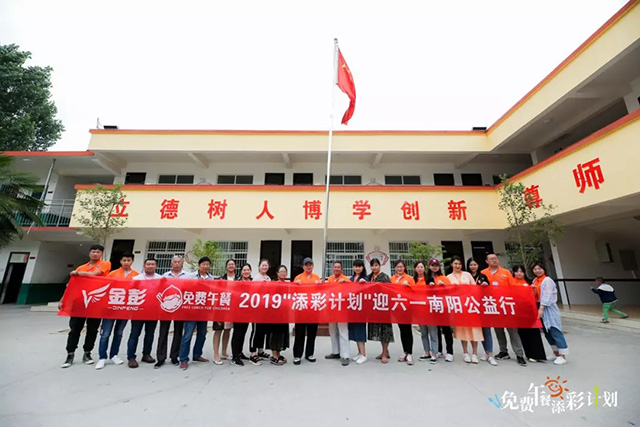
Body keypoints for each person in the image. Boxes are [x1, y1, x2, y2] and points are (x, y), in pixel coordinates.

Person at [60, 244, 111, 368]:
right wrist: (62, 300)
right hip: (79, 302)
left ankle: (87, 353)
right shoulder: (82, 267)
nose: (95, 254)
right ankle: (70, 354)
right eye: (93, 251)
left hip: (95, 303)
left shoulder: (105, 264)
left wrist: (77, 273)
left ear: (101, 254)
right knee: (75, 329)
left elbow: (94, 274)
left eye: (98, 252)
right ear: (89, 253)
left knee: (92, 329)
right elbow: (71, 286)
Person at [482, 253, 527, 366]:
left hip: (506, 305)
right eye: (491, 259)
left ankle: (519, 354)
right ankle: (503, 351)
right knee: (498, 330)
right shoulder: (483, 273)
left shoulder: (506, 272)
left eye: (495, 258)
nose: (494, 260)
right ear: (487, 261)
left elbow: (513, 288)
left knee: (513, 331)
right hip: (493, 306)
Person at [96, 252, 138, 370]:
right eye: (124, 260)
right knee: (105, 334)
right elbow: (105, 288)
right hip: (111, 308)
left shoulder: (136, 275)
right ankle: (102, 357)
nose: (126, 263)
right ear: (120, 261)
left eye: (128, 260)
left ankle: (114, 355)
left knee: (119, 333)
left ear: (132, 261)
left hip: (125, 309)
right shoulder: (112, 274)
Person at [447, 255, 483, 364]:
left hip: (471, 306)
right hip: (459, 308)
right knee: (463, 330)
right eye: (455, 263)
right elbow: (446, 292)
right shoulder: (448, 277)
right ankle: (465, 352)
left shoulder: (467, 275)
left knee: (474, 330)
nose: (457, 266)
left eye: (459, 264)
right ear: (451, 264)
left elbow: (475, 288)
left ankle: (475, 353)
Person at [178, 257, 212, 370]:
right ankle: (183, 359)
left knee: (202, 334)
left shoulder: (211, 279)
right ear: (199, 265)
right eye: (203, 264)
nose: (205, 266)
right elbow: (184, 290)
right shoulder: (190, 277)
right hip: (191, 311)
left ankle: (197, 355)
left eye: (207, 264)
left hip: (204, 311)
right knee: (187, 335)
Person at [532, 262, 569, 365]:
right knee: (546, 332)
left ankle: (562, 355)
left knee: (554, 330)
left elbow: (547, 295)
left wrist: (542, 307)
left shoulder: (547, 280)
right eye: (535, 269)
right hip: (539, 306)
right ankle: (555, 352)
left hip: (548, 307)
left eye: (539, 268)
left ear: (543, 269)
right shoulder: (535, 281)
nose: (537, 271)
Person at [127, 258, 161, 368]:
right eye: (148, 264)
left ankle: (146, 354)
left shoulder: (160, 279)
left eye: (153, 264)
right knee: (134, 334)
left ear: (156, 266)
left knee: (150, 334)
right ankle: (131, 357)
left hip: (153, 311)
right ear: (144, 266)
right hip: (138, 311)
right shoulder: (136, 278)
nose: (150, 266)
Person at [156, 256, 189, 368]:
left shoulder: (187, 276)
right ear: (171, 264)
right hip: (166, 308)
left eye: (179, 262)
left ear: (182, 264)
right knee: (163, 332)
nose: (177, 264)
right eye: (175, 262)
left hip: (180, 307)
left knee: (178, 333)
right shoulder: (165, 276)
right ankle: (161, 358)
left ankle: (174, 356)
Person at [512, 265, 547, 363]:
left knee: (534, 332)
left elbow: (535, 296)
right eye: (517, 271)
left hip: (530, 310)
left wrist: (534, 291)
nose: (519, 273)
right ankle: (528, 354)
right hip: (518, 311)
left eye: (521, 271)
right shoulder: (511, 282)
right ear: (514, 273)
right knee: (523, 333)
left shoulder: (530, 282)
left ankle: (537, 354)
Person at [467, 257, 497, 366]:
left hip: (483, 307)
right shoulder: (466, 276)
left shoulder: (483, 276)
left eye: (475, 265)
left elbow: (489, 291)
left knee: (486, 330)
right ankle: (477, 353)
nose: (473, 267)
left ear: (478, 266)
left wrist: (485, 286)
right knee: (475, 331)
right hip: (471, 307)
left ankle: (490, 354)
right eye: (471, 265)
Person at [292, 257, 321, 365]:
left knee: (312, 333)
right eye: (306, 265)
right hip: (301, 309)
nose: (309, 267)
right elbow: (293, 292)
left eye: (310, 265)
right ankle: (297, 355)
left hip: (313, 309)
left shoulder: (316, 277)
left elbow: (321, 292)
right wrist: (296, 285)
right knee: (299, 333)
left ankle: (309, 354)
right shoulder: (298, 278)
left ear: (312, 266)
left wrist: (320, 285)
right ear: (303, 267)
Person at [365, 258, 394, 364]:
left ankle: (385, 353)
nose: (374, 267)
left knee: (385, 330)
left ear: (380, 266)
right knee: (379, 330)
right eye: (372, 265)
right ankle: (384, 351)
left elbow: (389, 290)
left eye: (376, 265)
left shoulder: (385, 277)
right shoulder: (369, 277)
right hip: (374, 307)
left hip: (383, 306)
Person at [426, 259, 453, 362]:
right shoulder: (427, 278)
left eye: (436, 265)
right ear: (429, 266)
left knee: (446, 329)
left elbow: (450, 291)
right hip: (432, 306)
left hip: (443, 306)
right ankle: (438, 350)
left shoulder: (444, 278)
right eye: (432, 265)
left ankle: (449, 352)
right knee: (435, 330)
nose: (434, 267)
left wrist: (444, 286)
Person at [325, 261, 351, 366]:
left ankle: (345, 355)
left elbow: (351, 291)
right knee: (332, 331)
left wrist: (345, 284)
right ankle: (335, 352)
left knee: (343, 332)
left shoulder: (346, 279)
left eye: (338, 267)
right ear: (332, 268)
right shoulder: (330, 279)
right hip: (332, 308)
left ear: (341, 269)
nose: (336, 269)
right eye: (335, 267)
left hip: (342, 309)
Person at [212, 259, 237, 364]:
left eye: (232, 264)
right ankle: (216, 354)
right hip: (221, 307)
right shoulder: (221, 279)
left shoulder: (238, 279)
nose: (231, 266)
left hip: (233, 308)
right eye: (229, 264)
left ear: (235, 266)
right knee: (218, 330)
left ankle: (224, 352)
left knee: (228, 330)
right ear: (226, 266)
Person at [390, 259, 416, 366]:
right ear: (395, 268)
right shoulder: (392, 279)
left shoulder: (409, 278)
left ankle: (409, 353)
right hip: (397, 308)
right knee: (402, 330)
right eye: (397, 267)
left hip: (407, 308)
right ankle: (405, 351)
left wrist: (409, 287)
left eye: (401, 267)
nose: (399, 269)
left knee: (408, 330)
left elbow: (415, 292)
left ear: (404, 268)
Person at [248, 259, 272, 366]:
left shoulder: (268, 278)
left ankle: (260, 351)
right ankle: (253, 353)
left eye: (266, 265)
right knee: (256, 331)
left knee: (263, 330)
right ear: (259, 267)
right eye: (263, 265)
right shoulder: (256, 278)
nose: (264, 267)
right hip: (256, 308)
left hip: (265, 309)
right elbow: (253, 292)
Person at [415, 261, 438, 364]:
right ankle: (426, 352)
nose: (420, 269)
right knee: (423, 333)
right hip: (419, 310)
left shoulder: (429, 279)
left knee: (433, 332)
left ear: (424, 268)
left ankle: (434, 353)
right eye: (418, 267)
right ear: (415, 269)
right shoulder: (413, 280)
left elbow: (436, 292)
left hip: (430, 309)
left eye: (421, 267)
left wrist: (433, 286)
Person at [230, 263, 253, 366]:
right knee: (237, 333)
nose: (246, 272)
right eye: (244, 270)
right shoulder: (237, 282)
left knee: (243, 333)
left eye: (248, 270)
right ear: (241, 272)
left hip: (248, 312)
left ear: (250, 271)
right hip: (238, 312)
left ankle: (240, 352)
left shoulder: (253, 282)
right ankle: (235, 356)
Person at [269, 265, 291, 366]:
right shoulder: (273, 284)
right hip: (275, 314)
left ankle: (278, 353)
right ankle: (274, 355)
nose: (283, 273)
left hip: (284, 313)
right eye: (281, 272)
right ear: (277, 273)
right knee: (275, 333)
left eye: (284, 272)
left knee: (282, 333)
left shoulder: (287, 284)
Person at [348, 260, 368, 365]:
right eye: (355, 266)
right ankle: (359, 352)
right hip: (352, 308)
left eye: (359, 266)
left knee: (360, 331)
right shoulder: (351, 279)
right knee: (355, 331)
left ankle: (364, 354)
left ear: (363, 267)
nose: (357, 268)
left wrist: (364, 283)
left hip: (361, 309)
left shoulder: (365, 278)